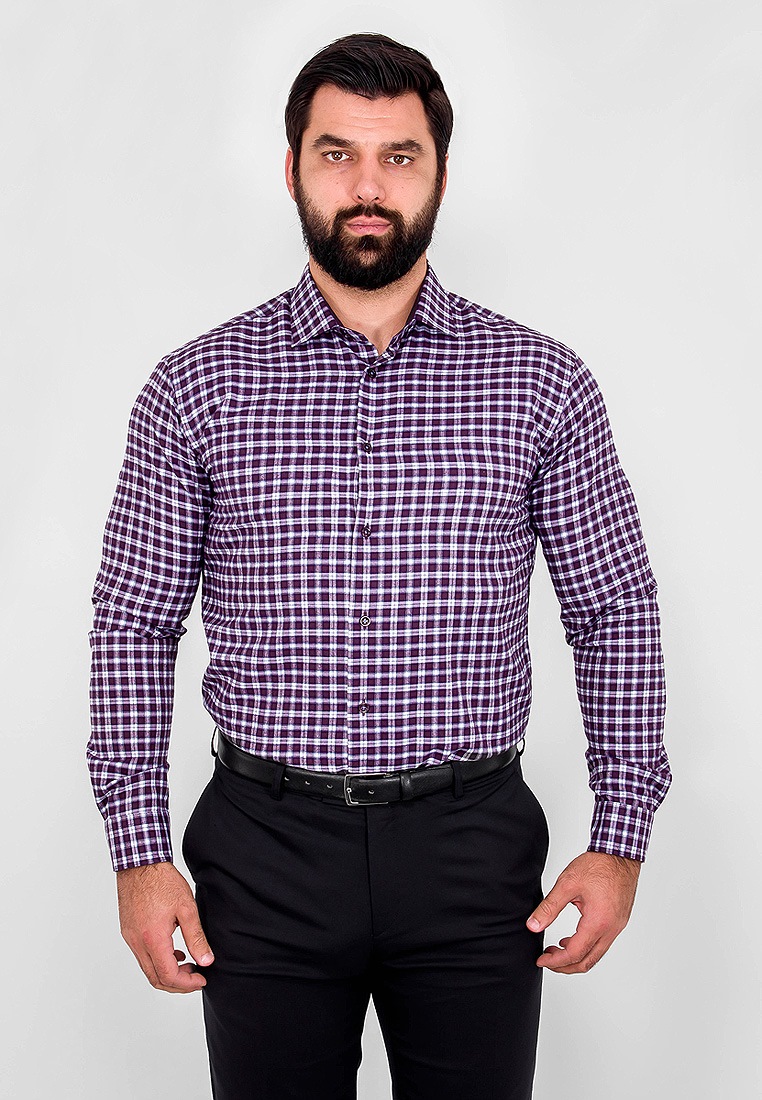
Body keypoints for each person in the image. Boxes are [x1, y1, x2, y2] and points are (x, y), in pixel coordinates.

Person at [87, 32, 672, 1100]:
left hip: (472, 849)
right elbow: (135, 619)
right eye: (337, 154)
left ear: (440, 170)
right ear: (292, 169)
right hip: (262, 849)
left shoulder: (542, 383)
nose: (367, 187)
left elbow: (614, 609)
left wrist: (620, 836)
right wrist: (137, 851)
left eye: (399, 156)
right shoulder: (196, 387)